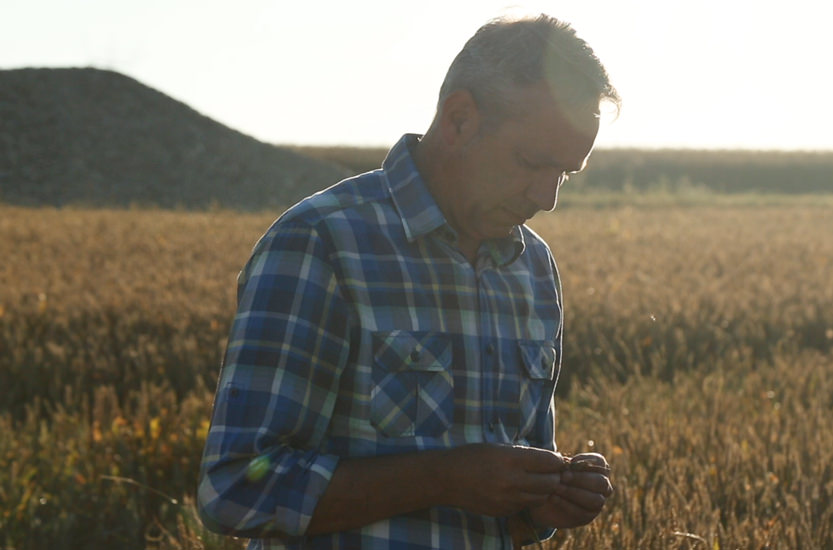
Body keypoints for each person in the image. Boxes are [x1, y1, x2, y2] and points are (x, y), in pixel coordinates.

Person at [198, 13, 620, 549]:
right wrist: (444, 478)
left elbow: (511, 510)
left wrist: (550, 498)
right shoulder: (322, 243)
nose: (547, 197)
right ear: (459, 119)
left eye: (565, 173)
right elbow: (233, 489)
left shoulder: (531, 268)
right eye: (531, 162)